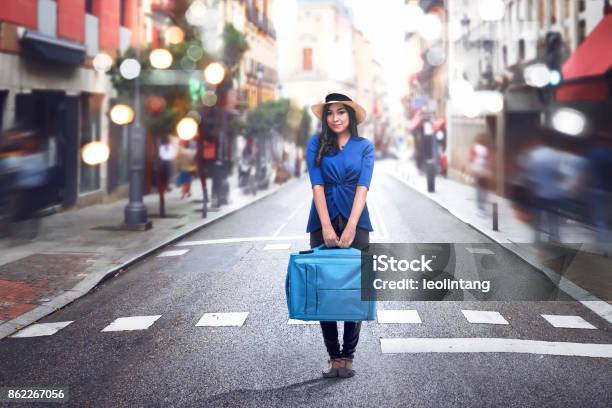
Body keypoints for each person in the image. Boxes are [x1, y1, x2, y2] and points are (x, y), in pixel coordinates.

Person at [306, 93, 374, 379]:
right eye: (330, 113)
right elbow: (317, 186)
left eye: (341, 112)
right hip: (322, 222)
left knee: (354, 292)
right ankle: (333, 356)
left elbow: (363, 188)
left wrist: (349, 227)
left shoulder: (364, 147)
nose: (335, 118)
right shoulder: (316, 143)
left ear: (350, 116)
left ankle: (348, 356)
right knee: (326, 292)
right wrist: (327, 227)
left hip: (357, 225)